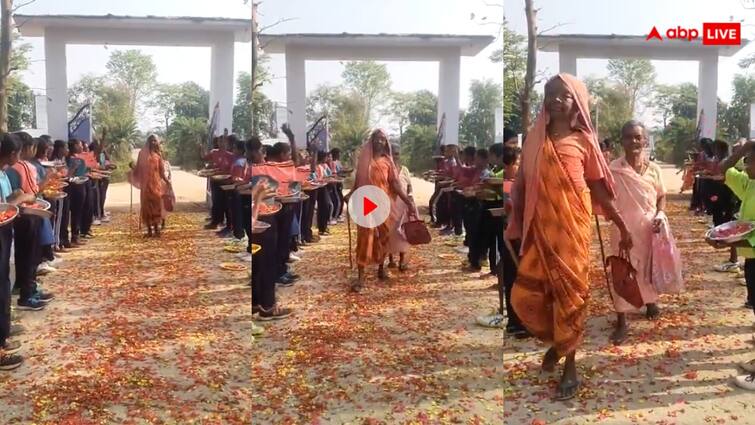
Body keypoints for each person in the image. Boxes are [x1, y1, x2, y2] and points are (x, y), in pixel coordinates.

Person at [505, 74, 632, 400]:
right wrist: (515, 216)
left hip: (574, 231)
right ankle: (558, 345)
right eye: (551, 94)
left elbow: (599, 190)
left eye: (564, 95)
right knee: (536, 293)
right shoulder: (534, 141)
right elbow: (521, 186)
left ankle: (569, 363)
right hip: (541, 231)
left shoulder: (584, 141)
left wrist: (621, 224)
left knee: (572, 295)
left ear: (578, 101)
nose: (556, 100)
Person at [607, 120, 666, 345]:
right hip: (622, 229)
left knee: (648, 267)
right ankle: (621, 319)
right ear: (622, 140)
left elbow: (661, 196)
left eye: (638, 137)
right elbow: (606, 201)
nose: (634, 141)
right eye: (629, 137)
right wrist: (621, 227)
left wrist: (660, 215)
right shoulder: (613, 170)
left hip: (650, 229)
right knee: (623, 271)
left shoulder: (654, 170)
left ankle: (650, 302)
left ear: (645, 140)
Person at [705, 139, 755, 391]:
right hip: (752, 258)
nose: (746, 166)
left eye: (751, 161)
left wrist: (731, 241)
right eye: (746, 161)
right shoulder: (748, 184)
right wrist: (743, 149)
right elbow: (722, 170)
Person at [344, 129, 415, 293]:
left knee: (383, 236)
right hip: (366, 202)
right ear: (372, 140)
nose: (380, 142)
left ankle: (381, 268)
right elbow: (358, 182)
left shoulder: (388, 162)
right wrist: (350, 194)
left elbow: (395, 185)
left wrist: (408, 201)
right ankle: (361, 276)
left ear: (386, 142)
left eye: (383, 139)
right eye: (377, 139)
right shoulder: (364, 160)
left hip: (384, 203)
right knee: (365, 237)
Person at [0, 133, 38, 369]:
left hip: (5, 229)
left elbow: (5, 200)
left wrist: (14, 198)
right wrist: (21, 198)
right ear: (13, 153)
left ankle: (3, 335)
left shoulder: (4, 173)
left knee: (4, 283)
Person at [7, 133, 55, 311]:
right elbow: (32, 192)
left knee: (27, 257)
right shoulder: (22, 166)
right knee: (29, 257)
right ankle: (27, 293)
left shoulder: (7, 171)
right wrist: (25, 196)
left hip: (21, 215)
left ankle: (30, 290)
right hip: (25, 217)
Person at [129, 135, 171, 237]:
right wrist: (132, 171)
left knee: (156, 206)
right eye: (151, 141)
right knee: (147, 207)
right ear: (148, 142)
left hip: (156, 185)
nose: (153, 143)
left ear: (157, 142)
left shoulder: (158, 156)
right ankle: (149, 231)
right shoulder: (142, 154)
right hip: (146, 186)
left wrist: (167, 181)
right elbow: (138, 169)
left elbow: (161, 172)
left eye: (154, 141)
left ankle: (157, 229)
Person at [387, 143, 413, 271]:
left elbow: (409, 186)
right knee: (390, 232)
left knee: (403, 232)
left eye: (397, 154)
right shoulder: (386, 169)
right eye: (392, 154)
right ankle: (391, 259)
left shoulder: (405, 170)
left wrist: (410, 199)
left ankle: (402, 261)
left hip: (403, 204)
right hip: (390, 204)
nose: (395, 157)